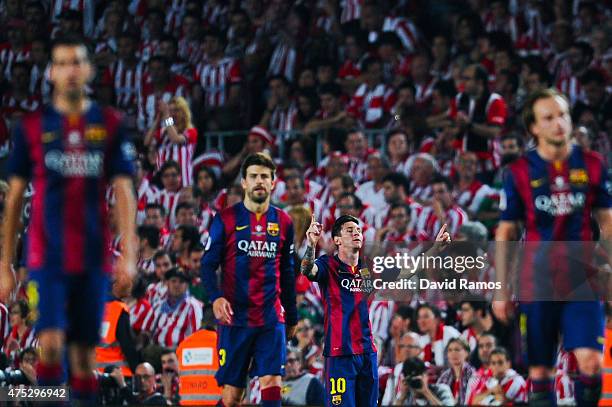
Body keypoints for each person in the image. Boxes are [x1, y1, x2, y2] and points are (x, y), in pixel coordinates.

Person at [0, 35, 137, 402]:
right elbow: (13, 198)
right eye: (62, 63)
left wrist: (130, 254)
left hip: (93, 254)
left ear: (88, 69)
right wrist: (5, 264)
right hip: (46, 254)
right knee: (50, 342)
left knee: (82, 357)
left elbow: (124, 190)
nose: (70, 70)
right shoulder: (29, 127)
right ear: (51, 72)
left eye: (76, 62)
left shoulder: (110, 123)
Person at [494, 88, 611, 405]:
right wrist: (502, 290)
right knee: (541, 373)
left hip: (582, 279)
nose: (559, 123)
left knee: (591, 362)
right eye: (549, 117)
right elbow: (506, 231)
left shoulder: (594, 165)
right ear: (534, 127)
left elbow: (608, 220)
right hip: (538, 282)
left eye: (563, 115)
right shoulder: (518, 172)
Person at [200, 152, 297, 407]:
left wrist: (292, 316)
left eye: (265, 176)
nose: (259, 181)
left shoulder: (284, 221)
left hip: (270, 316)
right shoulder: (225, 219)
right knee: (232, 396)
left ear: (273, 182)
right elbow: (207, 265)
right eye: (253, 176)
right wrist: (216, 297)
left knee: (272, 380)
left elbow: (288, 273)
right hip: (236, 318)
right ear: (244, 182)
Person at [299, 214, 379, 407]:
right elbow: (307, 270)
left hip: (367, 352)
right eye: (350, 231)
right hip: (340, 353)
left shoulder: (366, 269)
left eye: (358, 231)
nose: (356, 234)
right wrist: (311, 244)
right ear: (337, 240)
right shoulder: (328, 265)